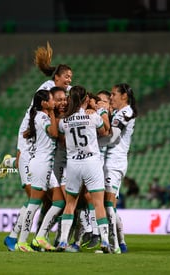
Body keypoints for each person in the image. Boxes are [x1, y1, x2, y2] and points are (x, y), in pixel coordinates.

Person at [2, 42, 72, 251]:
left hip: (40, 151)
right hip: (29, 147)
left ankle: (35, 237)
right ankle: (15, 238)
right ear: (56, 78)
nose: (69, 81)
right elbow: (42, 119)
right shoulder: (45, 94)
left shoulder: (56, 92)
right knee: (35, 198)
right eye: (67, 77)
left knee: (49, 200)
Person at [56, 85, 111, 253]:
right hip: (92, 163)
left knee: (70, 204)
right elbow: (105, 130)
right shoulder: (92, 116)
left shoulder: (64, 121)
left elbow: (60, 136)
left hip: (73, 164)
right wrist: (98, 110)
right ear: (85, 100)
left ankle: (63, 241)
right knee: (98, 203)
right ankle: (105, 242)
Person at [16, 89, 65, 252]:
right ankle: (22, 241)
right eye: (51, 100)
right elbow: (54, 132)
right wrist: (52, 113)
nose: (54, 103)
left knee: (59, 202)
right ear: (44, 103)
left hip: (47, 165)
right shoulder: (42, 116)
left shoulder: (37, 116)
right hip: (41, 165)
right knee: (34, 203)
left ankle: (40, 236)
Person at [101, 83, 137, 254]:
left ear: (124, 96)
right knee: (110, 205)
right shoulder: (119, 112)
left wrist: (92, 140)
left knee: (107, 203)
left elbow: (113, 137)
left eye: (114, 94)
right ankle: (121, 242)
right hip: (112, 162)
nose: (111, 97)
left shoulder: (124, 113)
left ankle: (113, 245)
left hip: (114, 163)